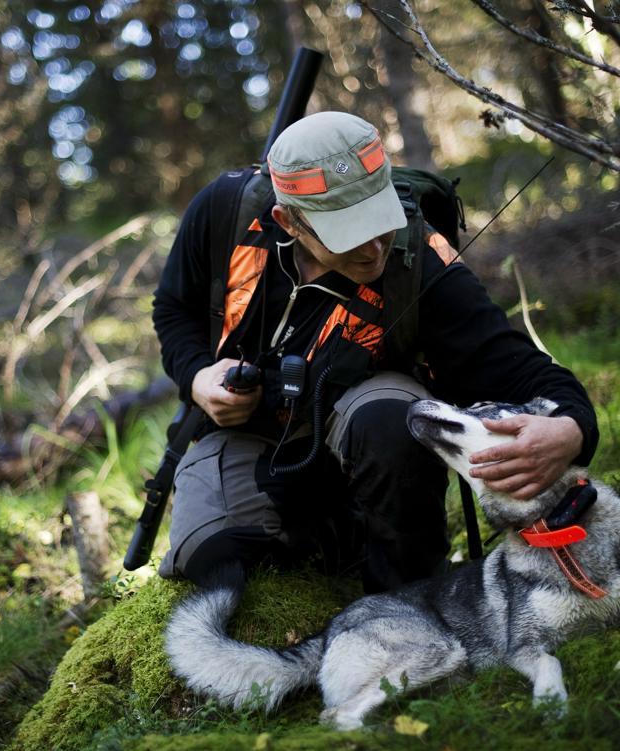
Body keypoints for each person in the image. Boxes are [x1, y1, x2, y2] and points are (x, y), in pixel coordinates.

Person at [152, 111, 597, 592]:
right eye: (347, 233)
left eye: (379, 220)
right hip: (249, 436)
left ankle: (410, 597)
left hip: (368, 437)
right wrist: (198, 378)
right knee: (209, 557)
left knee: (390, 421)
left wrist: (571, 430)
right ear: (289, 221)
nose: (373, 248)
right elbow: (174, 309)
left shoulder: (418, 260)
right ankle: (337, 542)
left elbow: (521, 371)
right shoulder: (224, 213)